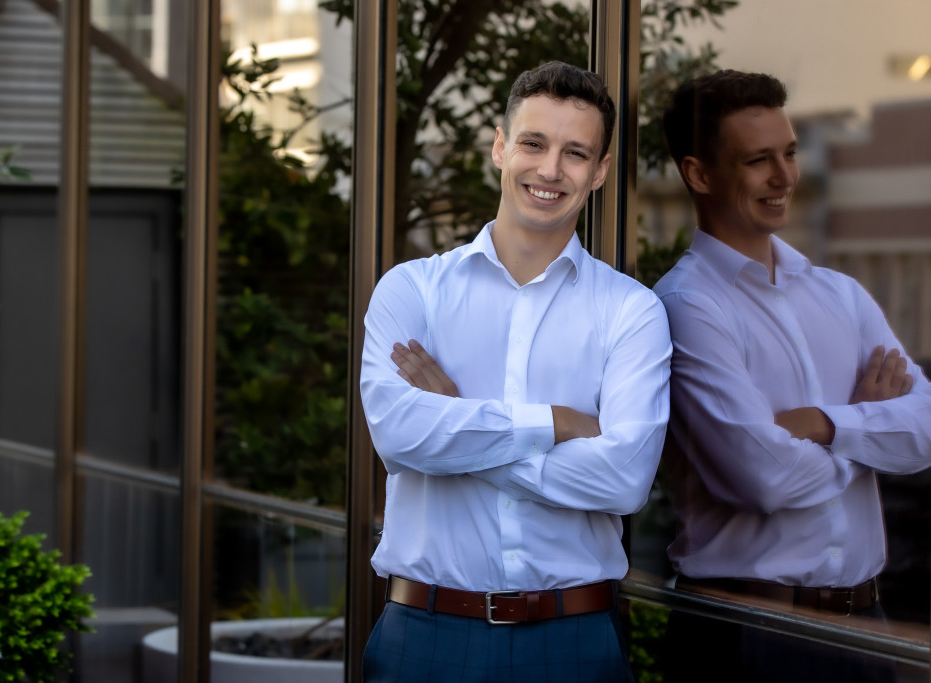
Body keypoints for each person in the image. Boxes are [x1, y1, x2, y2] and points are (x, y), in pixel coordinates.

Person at [358, 61, 672, 682]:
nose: (550, 170)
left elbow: (624, 480)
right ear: (500, 148)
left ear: (600, 171)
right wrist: (554, 423)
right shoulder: (413, 291)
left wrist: (455, 424)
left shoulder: (631, 311)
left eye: (575, 153)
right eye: (533, 143)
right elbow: (398, 434)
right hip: (425, 635)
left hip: (573, 639)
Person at [653, 69, 931, 682]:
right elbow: (763, 478)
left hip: (866, 623)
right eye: (758, 161)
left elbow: (926, 431)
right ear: (699, 174)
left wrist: (823, 425)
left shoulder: (841, 294)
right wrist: (866, 431)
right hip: (749, 633)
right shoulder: (687, 305)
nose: (784, 178)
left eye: (790, 153)